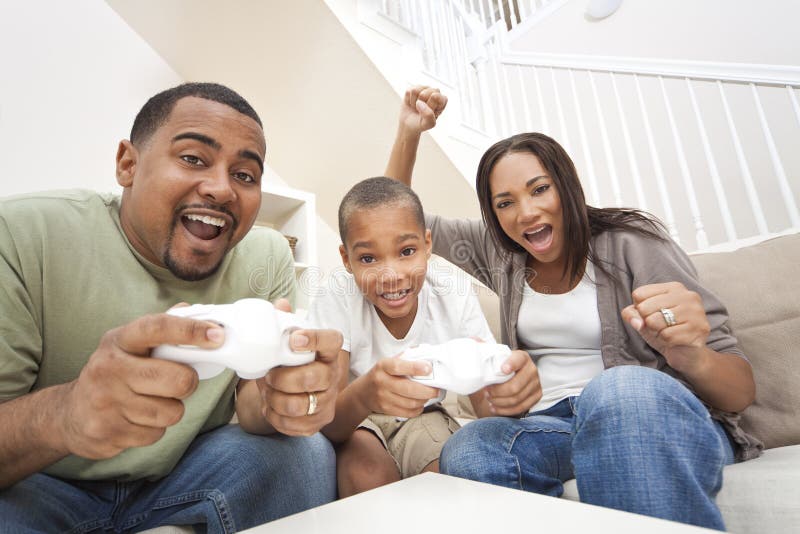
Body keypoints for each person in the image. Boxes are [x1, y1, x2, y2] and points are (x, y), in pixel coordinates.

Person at [384, 86, 761, 530]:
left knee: (615, 390)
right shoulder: (501, 255)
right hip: (552, 428)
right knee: (472, 446)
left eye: (539, 189)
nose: (525, 213)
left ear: (566, 186)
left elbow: (740, 392)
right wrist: (410, 133)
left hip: (645, 415)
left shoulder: (634, 243)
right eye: (505, 203)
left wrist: (689, 355)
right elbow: (394, 221)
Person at [0, 82, 342, 532]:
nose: (221, 189)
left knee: (305, 452)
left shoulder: (266, 255)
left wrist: (284, 401)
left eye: (245, 175)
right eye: (193, 159)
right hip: (42, 483)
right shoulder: (24, 234)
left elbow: (251, 402)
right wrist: (66, 414)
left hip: (182, 473)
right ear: (128, 164)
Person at [307, 176, 506, 497]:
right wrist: (365, 395)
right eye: (369, 259)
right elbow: (330, 422)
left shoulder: (452, 296)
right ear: (347, 259)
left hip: (424, 415)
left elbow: (489, 407)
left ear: (428, 245)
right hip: (358, 420)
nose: (391, 275)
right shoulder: (336, 296)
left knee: (448, 476)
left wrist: (507, 391)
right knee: (366, 473)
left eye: (407, 251)